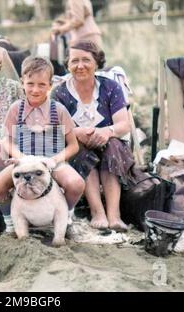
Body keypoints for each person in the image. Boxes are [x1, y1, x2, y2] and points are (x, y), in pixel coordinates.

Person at [0, 56, 85, 234]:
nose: (35, 89)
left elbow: (73, 146)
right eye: (30, 83)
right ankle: (11, 222)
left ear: (50, 85)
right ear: (22, 83)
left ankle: (66, 216)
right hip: (24, 161)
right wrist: (20, 158)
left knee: (76, 184)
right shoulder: (15, 109)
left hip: (53, 161)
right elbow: (7, 141)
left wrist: (54, 160)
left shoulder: (58, 110)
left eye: (42, 85)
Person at [51, 40, 133, 232]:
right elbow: (54, 129)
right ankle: (98, 212)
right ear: (68, 65)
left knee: (112, 147)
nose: (80, 66)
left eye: (86, 60)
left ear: (97, 62)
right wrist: (75, 132)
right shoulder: (60, 93)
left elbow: (124, 123)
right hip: (77, 148)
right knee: (81, 150)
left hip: (112, 147)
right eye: (74, 61)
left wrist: (107, 132)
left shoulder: (110, 87)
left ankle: (114, 215)